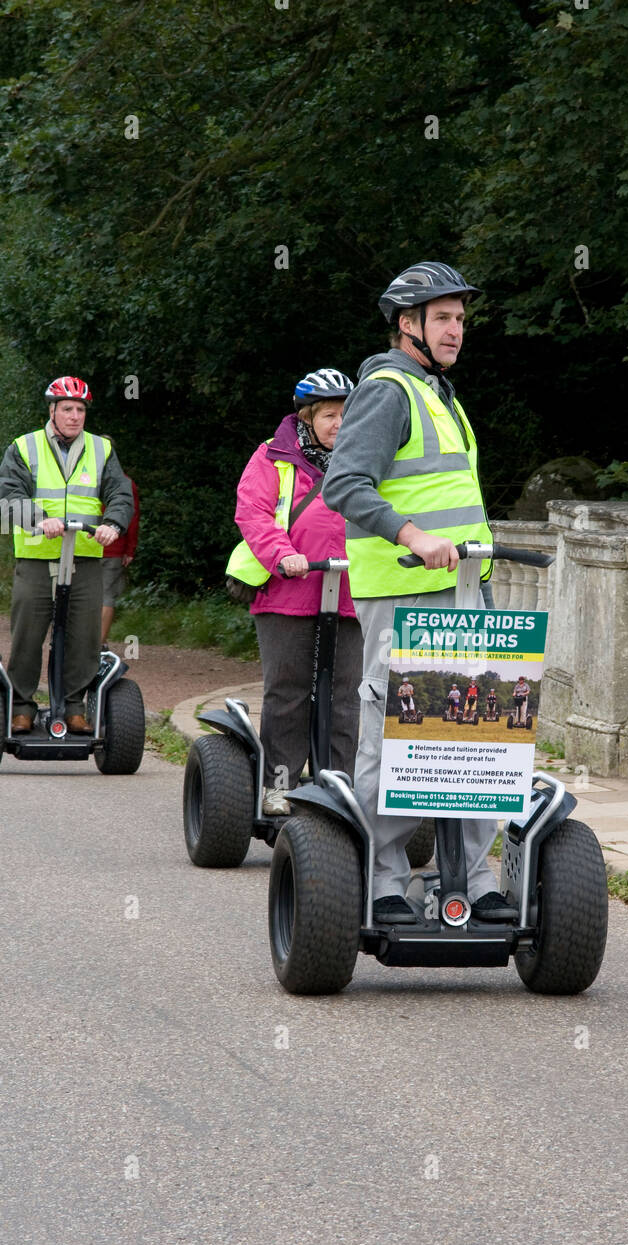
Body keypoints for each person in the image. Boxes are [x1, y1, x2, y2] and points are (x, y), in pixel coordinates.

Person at [323, 260, 515, 925]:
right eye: (443, 318)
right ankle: (383, 879)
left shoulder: (440, 392)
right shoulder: (386, 391)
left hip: (464, 590)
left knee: (479, 731)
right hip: (405, 592)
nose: (457, 329)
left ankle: (475, 875)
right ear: (407, 325)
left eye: (461, 318)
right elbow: (344, 485)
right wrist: (412, 533)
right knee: (397, 731)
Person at [232, 368, 362, 815]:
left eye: (347, 414)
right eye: (330, 415)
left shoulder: (367, 460)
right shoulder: (273, 457)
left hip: (350, 594)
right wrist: (283, 554)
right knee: (287, 692)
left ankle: (339, 790)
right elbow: (253, 512)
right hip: (286, 592)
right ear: (306, 417)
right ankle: (278, 786)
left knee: (345, 696)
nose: (340, 425)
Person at [0, 377, 133, 733]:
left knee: (84, 635)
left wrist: (114, 525)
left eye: (80, 410)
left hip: (85, 556)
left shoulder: (101, 449)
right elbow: (9, 497)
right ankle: (21, 706)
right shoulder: (24, 447)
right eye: (67, 409)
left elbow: (120, 493)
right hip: (37, 557)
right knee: (28, 632)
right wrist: (40, 520)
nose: (75, 416)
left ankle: (75, 706)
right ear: (52, 411)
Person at [101, 469, 139, 642]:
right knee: (106, 596)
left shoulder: (77, 477)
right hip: (113, 546)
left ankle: (82, 646)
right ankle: (99, 646)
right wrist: (129, 549)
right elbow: (132, 516)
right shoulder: (125, 482)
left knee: (79, 597)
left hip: (81, 547)